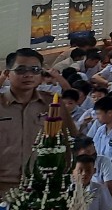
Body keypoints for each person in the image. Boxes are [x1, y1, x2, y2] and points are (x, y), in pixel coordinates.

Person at [0, 48, 76, 195]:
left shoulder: (53, 105)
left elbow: (69, 142)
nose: (28, 75)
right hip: (3, 188)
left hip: (42, 189)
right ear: (8, 73)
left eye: (35, 70)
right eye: (21, 70)